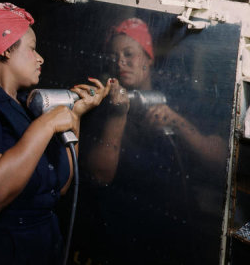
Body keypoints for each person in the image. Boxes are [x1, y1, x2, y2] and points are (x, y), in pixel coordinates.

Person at [0, 2, 112, 265]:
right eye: (32, 49)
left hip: (43, 245)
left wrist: (75, 116)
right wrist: (46, 125)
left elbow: (62, 186)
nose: (40, 58)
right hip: (1, 252)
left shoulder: (23, 106)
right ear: (7, 50)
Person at [73, 17, 229, 264]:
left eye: (129, 53)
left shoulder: (178, 97)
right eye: (114, 56)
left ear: (148, 58)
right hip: (120, 232)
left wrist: (177, 122)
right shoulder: (101, 105)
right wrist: (118, 114)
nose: (120, 62)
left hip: (174, 231)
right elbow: (99, 175)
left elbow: (221, 161)